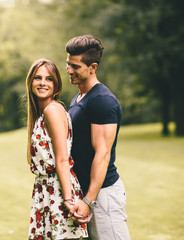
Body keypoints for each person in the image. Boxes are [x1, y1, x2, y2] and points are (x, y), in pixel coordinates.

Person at [65, 35, 130, 239]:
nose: (68, 70)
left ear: (93, 67)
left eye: (75, 66)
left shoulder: (102, 101)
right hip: (86, 193)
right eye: (68, 64)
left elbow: (102, 154)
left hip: (102, 195)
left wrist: (89, 201)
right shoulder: (79, 98)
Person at [26, 58, 89, 240]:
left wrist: (68, 200)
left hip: (58, 191)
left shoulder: (52, 110)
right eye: (38, 78)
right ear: (31, 82)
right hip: (45, 191)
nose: (43, 83)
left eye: (49, 79)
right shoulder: (43, 113)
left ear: (56, 85)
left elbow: (62, 159)